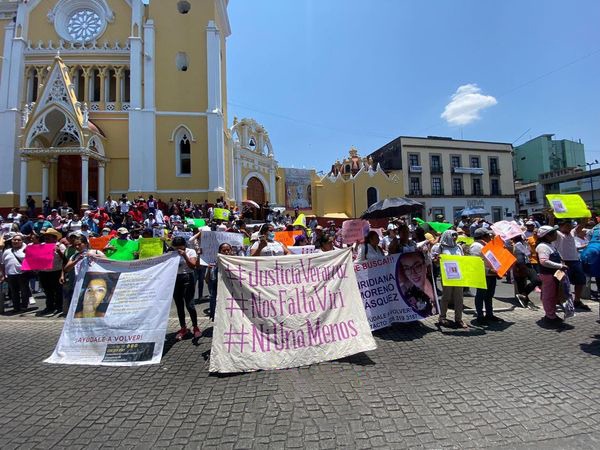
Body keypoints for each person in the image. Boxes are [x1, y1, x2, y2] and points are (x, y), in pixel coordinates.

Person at [431, 230, 466, 328]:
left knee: (459, 298)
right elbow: (434, 261)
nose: (455, 237)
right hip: (447, 276)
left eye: (456, 235)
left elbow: (463, 259)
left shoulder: (458, 247)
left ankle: (458, 319)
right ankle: (442, 317)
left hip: (459, 275)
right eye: (453, 235)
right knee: (446, 296)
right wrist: (437, 259)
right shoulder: (440, 247)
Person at [470, 228, 504, 325]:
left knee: (489, 296)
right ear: (483, 236)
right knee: (481, 295)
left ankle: (489, 314)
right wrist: (490, 270)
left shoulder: (485, 245)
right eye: (488, 235)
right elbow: (476, 264)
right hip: (484, 274)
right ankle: (480, 316)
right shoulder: (476, 246)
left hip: (491, 274)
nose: (490, 237)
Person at [555, 220, 591, 311]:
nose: (569, 227)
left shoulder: (572, 232)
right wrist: (551, 217)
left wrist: (585, 216)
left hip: (575, 261)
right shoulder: (558, 234)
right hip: (563, 262)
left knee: (580, 281)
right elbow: (551, 226)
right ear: (561, 226)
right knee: (562, 284)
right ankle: (561, 301)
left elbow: (581, 225)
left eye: (570, 225)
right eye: (566, 226)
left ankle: (577, 301)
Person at [536, 225, 568, 326]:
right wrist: (560, 266)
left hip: (553, 274)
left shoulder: (549, 245)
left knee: (553, 295)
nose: (556, 234)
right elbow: (544, 261)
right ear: (548, 236)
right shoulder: (543, 247)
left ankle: (551, 313)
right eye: (553, 233)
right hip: (548, 275)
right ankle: (550, 315)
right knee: (548, 295)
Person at [171, 236, 201, 341]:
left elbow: (193, 266)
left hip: (188, 277)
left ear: (184, 245)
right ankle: (183, 328)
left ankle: (195, 327)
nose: (178, 249)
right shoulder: (170, 252)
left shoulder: (190, 251)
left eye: (181, 247)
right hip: (175, 279)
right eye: (176, 247)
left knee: (190, 304)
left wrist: (184, 256)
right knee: (179, 305)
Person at [35, 228, 66, 315]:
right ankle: (49, 306)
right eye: (46, 237)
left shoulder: (60, 246)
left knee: (57, 290)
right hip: (44, 272)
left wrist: (59, 251)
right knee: (47, 291)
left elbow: (65, 259)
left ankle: (59, 307)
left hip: (56, 271)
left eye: (48, 237)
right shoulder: (41, 245)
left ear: (54, 238)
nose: (46, 239)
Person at [396, 251, 436, 318]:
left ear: (425, 265)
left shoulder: (430, 287)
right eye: (407, 268)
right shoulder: (407, 290)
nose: (413, 272)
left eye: (417, 266)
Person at [0, 233, 31, 312]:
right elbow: (3, 264)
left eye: (18, 240)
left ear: (22, 241)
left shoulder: (26, 249)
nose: (16, 241)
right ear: (11, 241)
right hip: (10, 275)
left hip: (22, 274)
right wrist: (3, 275)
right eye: (14, 240)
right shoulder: (7, 251)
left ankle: (24, 306)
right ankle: (16, 307)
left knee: (24, 291)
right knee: (14, 292)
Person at [60, 234, 89, 316]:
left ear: (85, 244)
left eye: (79, 244)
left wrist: (96, 256)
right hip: (77, 284)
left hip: (90, 284)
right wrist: (77, 260)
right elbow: (66, 268)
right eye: (75, 245)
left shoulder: (94, 252)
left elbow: (106, 261)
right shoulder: (74, 256)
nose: (77, 247)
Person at [512, 234, 541, 309]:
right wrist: (523, 268)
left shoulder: (523, 244)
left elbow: (528, 253)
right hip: (523, 266)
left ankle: (524, 296)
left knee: (527, 284)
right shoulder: (518, 245)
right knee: (536, 280)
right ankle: (525, 298)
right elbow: (520, 258)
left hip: (525, 265)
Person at [206, 242, 233, 320]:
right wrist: (208, 270)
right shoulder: (213, 264)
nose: (226, 252)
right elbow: (207, 281)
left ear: (231, 251)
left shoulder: (235, 263)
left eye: (228, 250)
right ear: (219, 252)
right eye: (224, 250)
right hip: (217, 294)